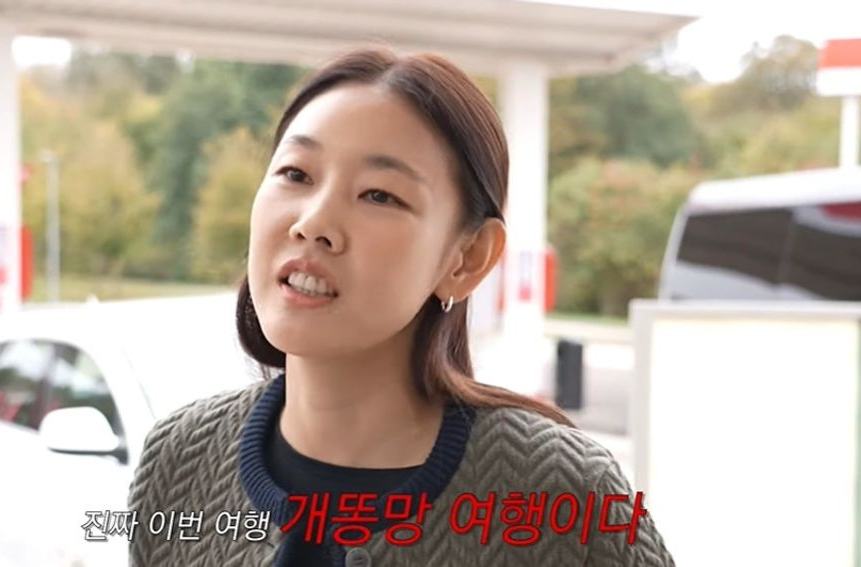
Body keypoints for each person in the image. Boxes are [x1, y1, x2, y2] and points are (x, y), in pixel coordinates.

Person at [128, 46, 674, 567]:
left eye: (379, 195)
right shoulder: (178, 458)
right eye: (296, 174)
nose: (313, 223)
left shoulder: (564, 494)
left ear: (467, 258)